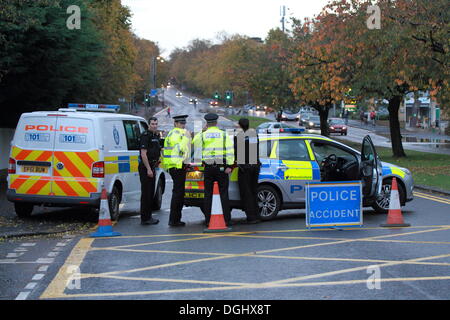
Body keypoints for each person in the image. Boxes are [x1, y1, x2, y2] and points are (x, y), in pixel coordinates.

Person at [192, 113, 234, 227]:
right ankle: (227, 220)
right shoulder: (224, 135)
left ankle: (208, 220)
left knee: (208, 194)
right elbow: (230, 151)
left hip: (209, 168)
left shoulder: (203, 135)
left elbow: (194, 142)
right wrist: (229, 166)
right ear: (217, 122)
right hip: (221, 168)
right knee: (224, 194)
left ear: (207, 124)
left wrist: (202, 131)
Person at [163, 114, 190, 227]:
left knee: (179, 193)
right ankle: (174, 220)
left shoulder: (178, 133)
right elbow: (180, 148)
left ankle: (176, 219)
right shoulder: (175, 134)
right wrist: (186, 138)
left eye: (184, 123)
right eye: (181, 123)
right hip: (176, 167)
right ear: (175, 123)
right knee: (178, 194)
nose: (183, 125)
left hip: (178, 166)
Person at [234, 118, 261, 224]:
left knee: (246, 192)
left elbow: (237, 152)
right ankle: (257, 214)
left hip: (245, 168)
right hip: (255, 166)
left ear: (240, 125)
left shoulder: (239, 136)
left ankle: (251, 216)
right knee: (254, 190)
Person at [138, 117, 161, 225]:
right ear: (148, 125)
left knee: (151, 192)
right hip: (145, 167)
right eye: (152, 124)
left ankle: (149, 216)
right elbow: (143, 154)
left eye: (156, 124)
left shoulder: (156, 135)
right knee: (146, 193)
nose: (155, 126)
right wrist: (148, 169)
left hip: (152, 166)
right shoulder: (145, 136)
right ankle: (145, 218)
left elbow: (157, 150)